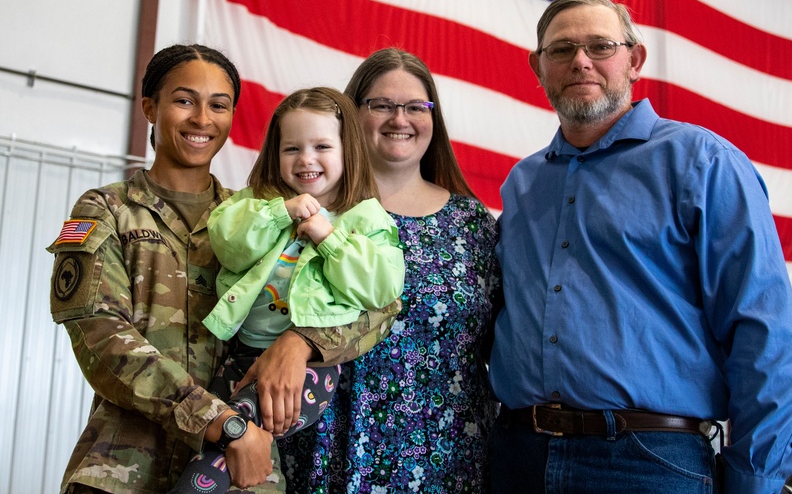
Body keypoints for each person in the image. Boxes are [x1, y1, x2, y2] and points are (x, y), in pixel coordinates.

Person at [488, 0, 792, 494]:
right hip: (516, 456)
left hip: (650, 462)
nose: (581, 62)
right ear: (538, 67)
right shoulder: (521, 186)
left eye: (601, 46)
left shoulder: (702, 163)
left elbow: (763, 333)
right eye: (562, 49)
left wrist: (754, 480)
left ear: (634, 60)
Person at [47, 44, 399, 494]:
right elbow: (102, 340)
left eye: (218, 105)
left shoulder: (261, 216)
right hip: (127, 468)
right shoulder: (107, 210)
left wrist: (301, 343)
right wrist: (222, 423)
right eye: (183, 100)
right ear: (150, 107)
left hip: (244, 475)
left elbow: (382, 305)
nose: (201, 118)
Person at [279, 49, 501, 493]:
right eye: (381, 105)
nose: (399, 118)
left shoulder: (472, 224)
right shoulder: (304, 210)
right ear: (350, 114)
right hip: (321, 451)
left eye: (416, 106)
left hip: (445, 459)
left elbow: (502, 341)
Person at [170, 87, 405, 494]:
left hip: (312, 370)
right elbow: (227, 241)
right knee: (205, 432)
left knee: (231, 433)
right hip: (242, 354)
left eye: (322, 146)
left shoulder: (365, 217)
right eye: (291, 148)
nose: (306, 159)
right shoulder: (259, 202)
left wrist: (328, 238)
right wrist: (282, 211)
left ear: (348, 151)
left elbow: (380, 287)